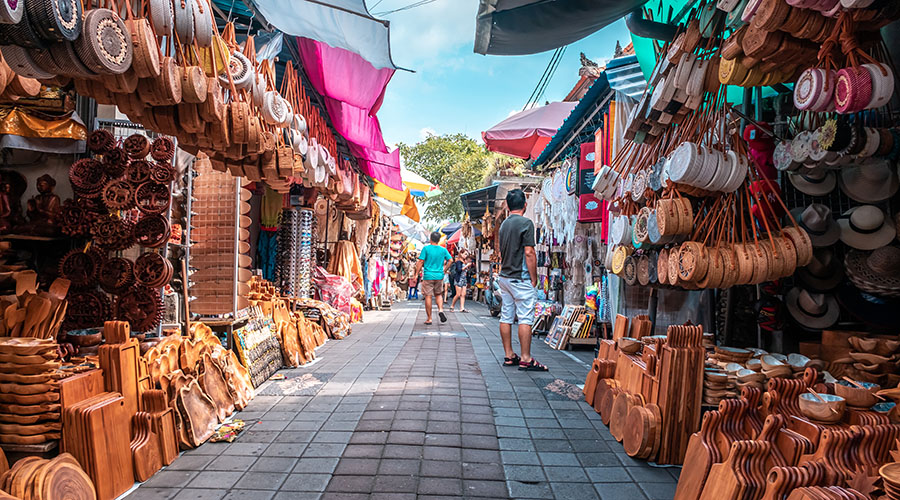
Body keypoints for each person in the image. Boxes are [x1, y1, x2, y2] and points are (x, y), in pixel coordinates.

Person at [497, 189, 547, 371]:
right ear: (525, 205)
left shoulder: (503, 225)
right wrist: (534, 278)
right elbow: (529, 252)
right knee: (525, 317)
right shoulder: (526, 223)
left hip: (505, 277)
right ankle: (526, 357)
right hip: (521, 277)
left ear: (508, 206)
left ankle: (509, 354)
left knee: (507, 315)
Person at [415, 232, 452, 324]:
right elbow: (450, 260)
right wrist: (444, 270)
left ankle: (429, 318)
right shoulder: (443, 250)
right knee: (439, 294)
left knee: (428, 296)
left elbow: (420, 261)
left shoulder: (426, 248)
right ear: (439, 240)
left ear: (430, 239)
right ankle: (440, 310)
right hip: (439, 276)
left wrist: (416, 273)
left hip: (428, 276)